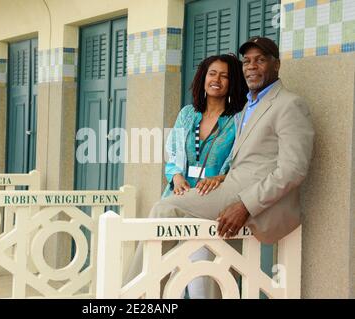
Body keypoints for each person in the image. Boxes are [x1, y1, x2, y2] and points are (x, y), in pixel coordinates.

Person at [126, 37, 315, 298]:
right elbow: (181, 153)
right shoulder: (250, 105)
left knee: (167, 211)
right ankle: (140, 294)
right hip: (215, 191)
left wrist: (244, 204)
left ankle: (133, 296)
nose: (251, 66)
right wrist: (180, 176)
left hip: (240, 195)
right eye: (247, 61)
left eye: (260, 60)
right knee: (199, 263)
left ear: (277, 65)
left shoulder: (287, 105)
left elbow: (293, 169)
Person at [160, 54, 248, 298]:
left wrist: (221, 178)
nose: (217, 80)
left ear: (234, 82)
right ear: (203, 77)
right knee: (168, 276)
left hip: (212, 203)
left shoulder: (239, 119)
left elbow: (240, 159)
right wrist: (176, 177)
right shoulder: (188, 113)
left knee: (201, 280)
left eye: (225, 75)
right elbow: (173, 149)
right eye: (212, 73)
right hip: (179, 195)